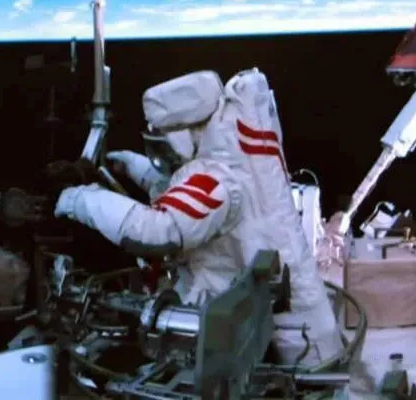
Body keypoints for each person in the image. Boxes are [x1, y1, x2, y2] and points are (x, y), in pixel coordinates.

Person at [53, 68, 344, 366]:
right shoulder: (234, 168)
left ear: (184, 136)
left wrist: (80, 199)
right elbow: (178, 191)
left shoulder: (219, 180)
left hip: (287, 346)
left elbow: (157, 231)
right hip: (273, 319)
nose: (162, 155)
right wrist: (133, 166)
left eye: (161, 144)